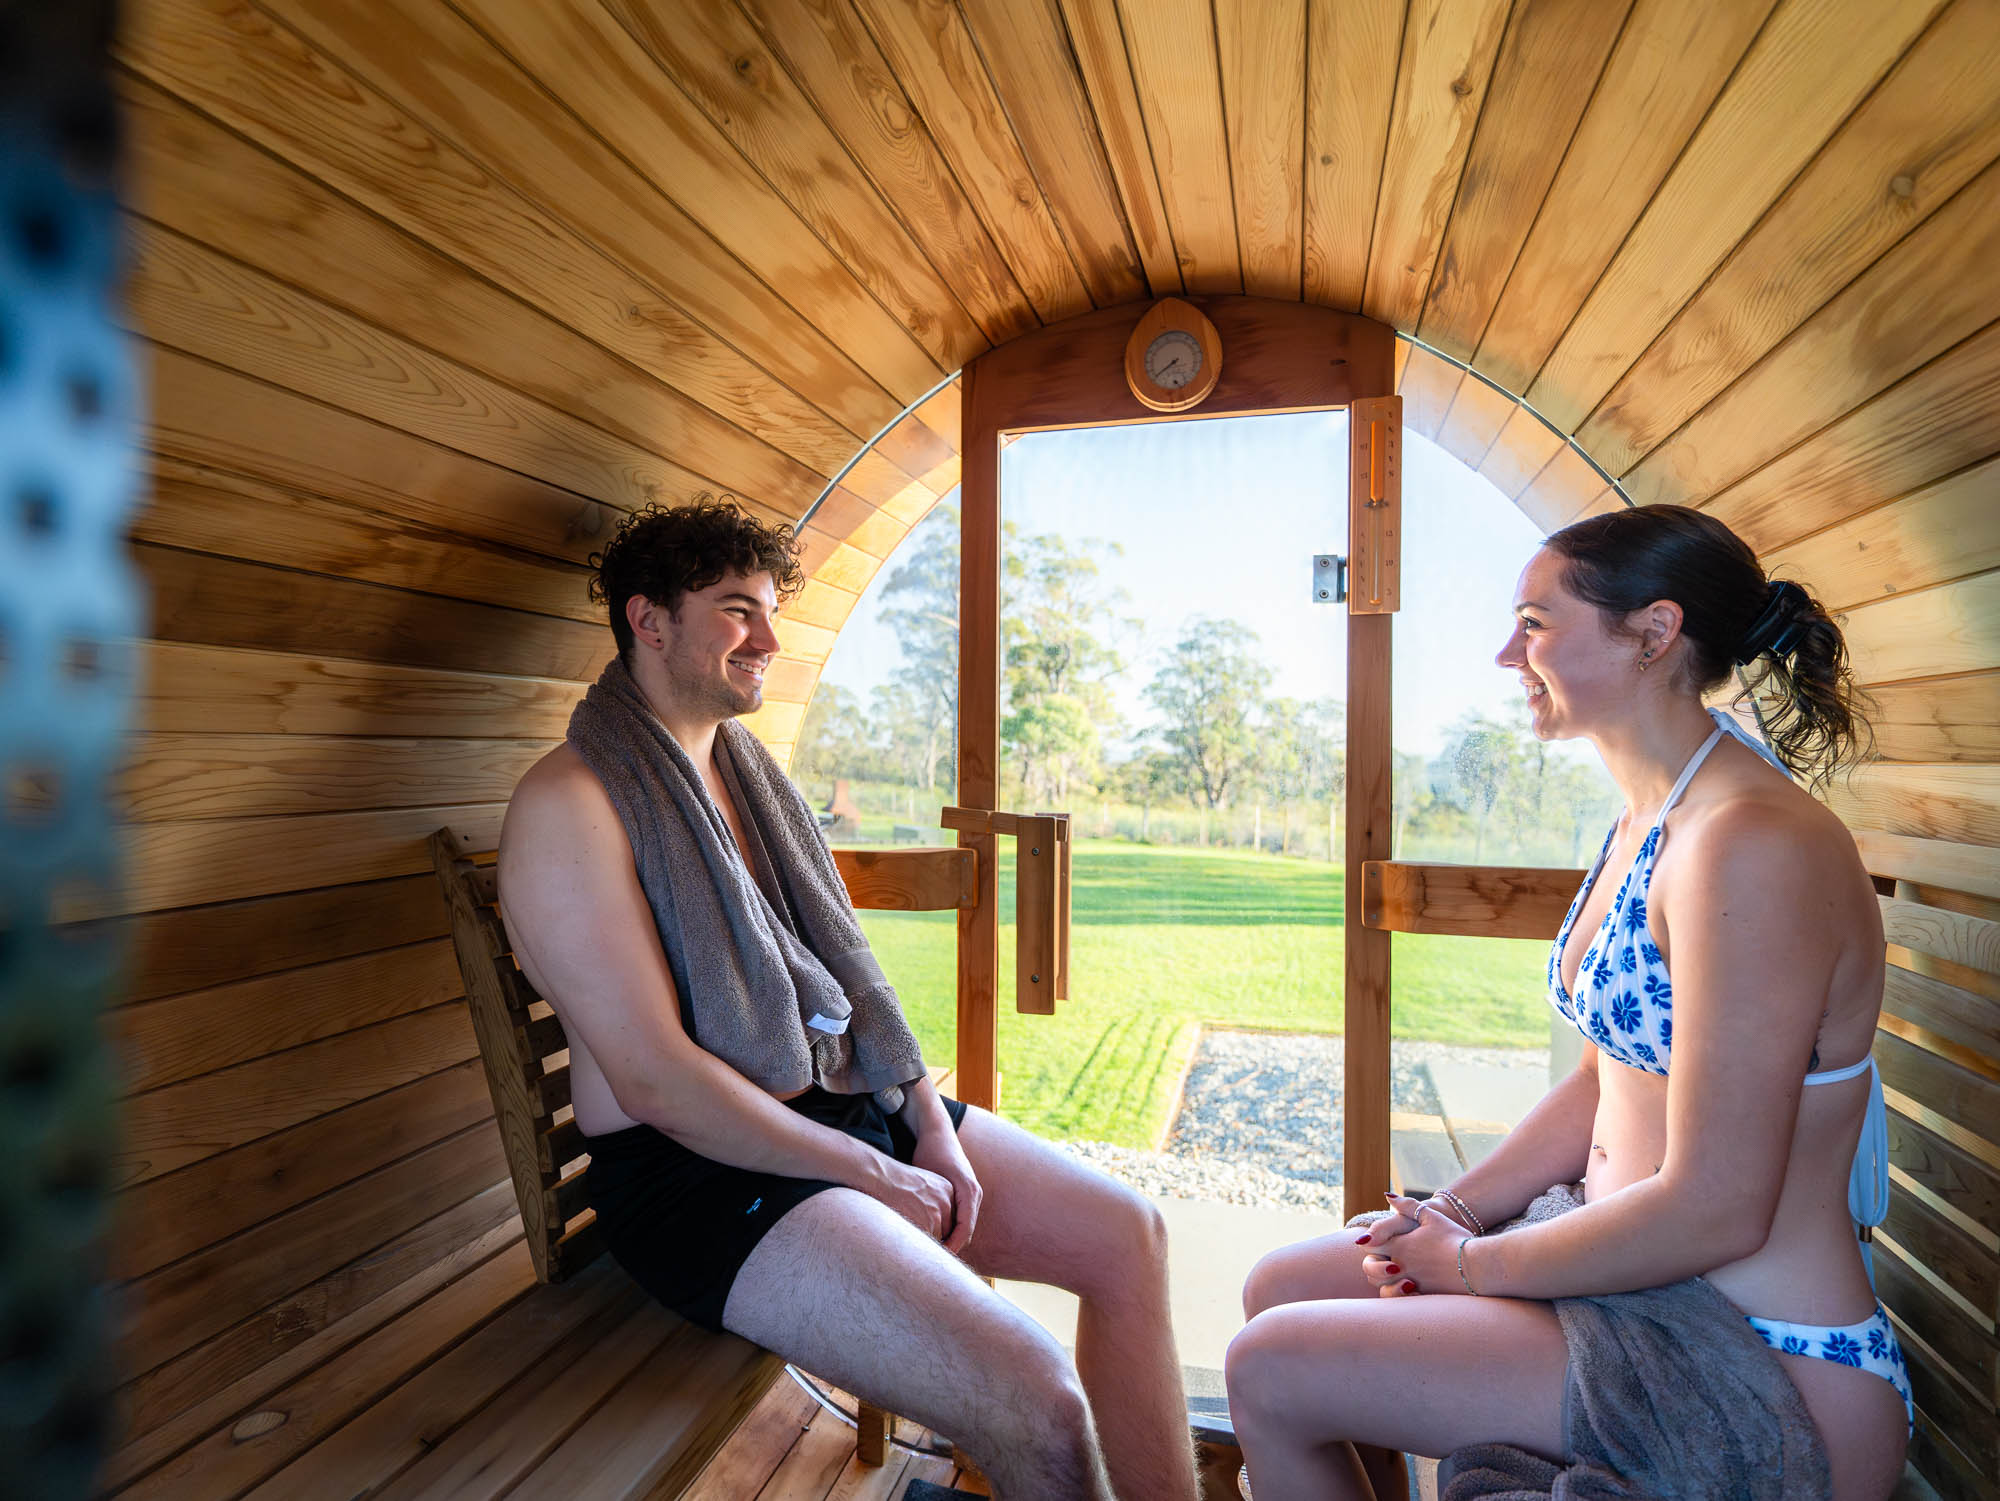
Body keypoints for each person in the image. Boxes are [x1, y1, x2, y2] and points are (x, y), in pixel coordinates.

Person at [497, 499, 1197, 1501]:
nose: (768, 640)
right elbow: (653, 1079)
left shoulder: (744, 774)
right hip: (701, 1180)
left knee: (1130, 1234)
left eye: (771, 612)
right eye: (737, 610)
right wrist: (874, 1172)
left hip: (838, 1108)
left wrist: (927, 1123)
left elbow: (846, 969)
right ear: (648, 620)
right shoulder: (570, 804)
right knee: (1038, 1399)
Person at [1225, 505, 1909, 1501]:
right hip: (1634, 1288)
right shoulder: (1651, 815)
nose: (1508, 654)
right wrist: (1451, 1212)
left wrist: (1468, 1263)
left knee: (1270, 1366)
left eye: (1535, 623)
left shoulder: (1751, 844)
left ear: (1653, 632)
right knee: (1279, 1286)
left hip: (1751, 1354)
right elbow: (1603, 1077)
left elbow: (1719, 1204)